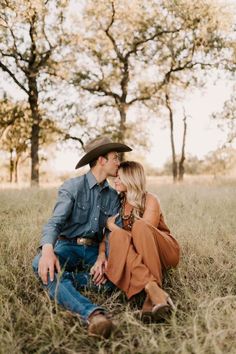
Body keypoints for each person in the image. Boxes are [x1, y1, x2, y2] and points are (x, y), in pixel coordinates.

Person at [32, 136, 132, 338]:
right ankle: (93, 314)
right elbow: (55, 222)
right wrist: (48, 251)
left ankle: (64, 284)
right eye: (115, 158)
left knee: (114, 277)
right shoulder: (72, 187)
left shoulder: (113, 196)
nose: (118, 162)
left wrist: (103, 258)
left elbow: (111, 233)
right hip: (67, 246)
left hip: (95, 251)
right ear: (101, 160)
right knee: (39, 263)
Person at [101, 161, 180, 321]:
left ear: (132, 179)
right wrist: (102, 251)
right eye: (115, 177)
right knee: (116, 237)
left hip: (164, 251)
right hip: (141, 254)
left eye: (120, 178)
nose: (115, 180)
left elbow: (143, 239)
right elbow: (118, 240)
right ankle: (153, 291)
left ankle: (153, 295)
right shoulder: (119, 202)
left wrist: (112, 226)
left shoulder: (150, 199)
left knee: (139, 227)